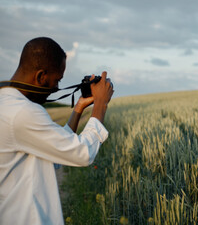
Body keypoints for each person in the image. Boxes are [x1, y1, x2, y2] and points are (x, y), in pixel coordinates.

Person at [0, 37, 114, 224]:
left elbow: (55, 151)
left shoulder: (8, 105)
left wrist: (79, 106)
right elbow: (82, 153)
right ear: (40, 76)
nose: (57, 87)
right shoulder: (22, 112)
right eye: (56, 80)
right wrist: (101, 103)